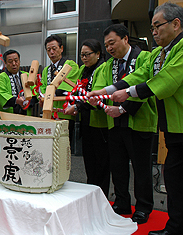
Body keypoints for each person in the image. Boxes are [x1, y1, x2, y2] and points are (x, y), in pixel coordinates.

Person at [91, 3, 183, 235]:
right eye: (151, 27)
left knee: (156, 171)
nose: (153, 32)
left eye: (157, 26)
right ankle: (173, 224)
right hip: (169, 126)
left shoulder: (176, 50)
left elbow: (165, 81)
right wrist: (103, 91)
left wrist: (125, 99)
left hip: (155, 122)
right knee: (164, 175)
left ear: (176, 24)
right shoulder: (159, 53)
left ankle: (165, 220)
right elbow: (138, 77)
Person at [89, 24, 157, 224]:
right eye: (107, 45)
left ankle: (143, 206)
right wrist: (98, 102)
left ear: (126, 39)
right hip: (115, 124)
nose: (109, 48)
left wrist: (122, 109)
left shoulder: (144, 57)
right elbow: (102, 89)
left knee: (141, 167)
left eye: (113, 43)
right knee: (118, 166)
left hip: (140, 121)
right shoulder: (109, 65)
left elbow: (147, 86)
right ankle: (122, 201)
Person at [66, 39, 110, 197]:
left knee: (101, 162)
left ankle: (102, 195)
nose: (84, 58)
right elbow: (77, 91)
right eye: (82, 55)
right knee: (89, 161)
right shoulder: (83, 69)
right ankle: (91, 193)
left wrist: (77, 106)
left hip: (100, 122)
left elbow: (97, 94)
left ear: (98, 54)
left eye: (87, 54)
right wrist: (73, 104)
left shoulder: (103, 67)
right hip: (85, 121)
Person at [40, 34, 80, 144]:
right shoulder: (46, 70)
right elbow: (43, 87)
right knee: (48, 146)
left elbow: (66, 88)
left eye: (54, 49)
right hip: (48, 113)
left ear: (61, 49)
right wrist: (42, 96)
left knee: (63, 146)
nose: (51, 52)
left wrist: (48, 95)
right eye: (48, 50)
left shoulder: (71, 65)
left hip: (65, 112)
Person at [0, 49, 37, 119]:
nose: (14, 64)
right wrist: (17, 101)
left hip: (25, 116)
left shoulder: (27, 75)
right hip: (7, 117)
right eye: (10, 61)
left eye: (16, 61)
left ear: (19, 61)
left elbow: (35, 92)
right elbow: (1, 95)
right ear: (5, 63)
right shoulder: (0, 77)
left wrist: (28, 102)